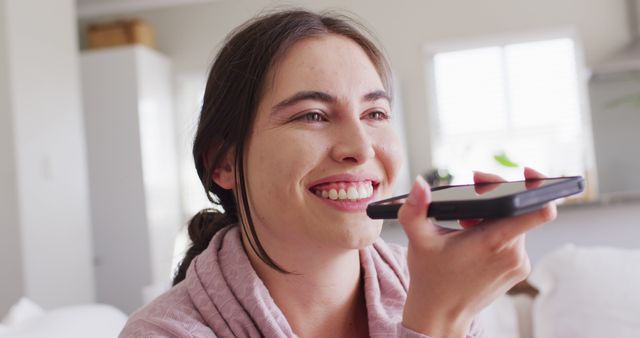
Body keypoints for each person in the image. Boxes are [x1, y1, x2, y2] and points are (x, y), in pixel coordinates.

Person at [120, 9, 557, 338]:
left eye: (375, 113)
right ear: (224, 162)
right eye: (312, 115)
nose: (361, 147)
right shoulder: (164, 332)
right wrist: (436, 324)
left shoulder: (428, 287)